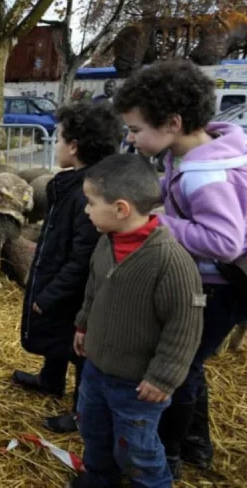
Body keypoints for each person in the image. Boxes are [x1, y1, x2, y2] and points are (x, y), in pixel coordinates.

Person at [114, 59, 247, 478]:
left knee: (180, 366)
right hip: (214, 280)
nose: (131, 139)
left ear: (172, 122)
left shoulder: (205, 175)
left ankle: (169, 452)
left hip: (225, 283)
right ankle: (196, 445)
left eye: (136, 130)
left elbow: (225, 241)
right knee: (191, 363)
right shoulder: (193, 156)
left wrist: (156, 224)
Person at [69, 154, 205, 488]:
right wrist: (83, 324)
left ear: (121, 208)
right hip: (97, 369)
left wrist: (163, 378)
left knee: (137, 449)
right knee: (93, 431)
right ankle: (99, 478)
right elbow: (94, 287)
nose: (86, 210)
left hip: (137, 385)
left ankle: (153, 483)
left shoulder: (170, 261)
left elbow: (185, 324)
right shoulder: (105, 243)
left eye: (90, 203)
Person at [12, 102, 122, 434]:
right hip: (61, 276)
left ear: (73, 146)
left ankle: (81, 412)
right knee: (60, 334)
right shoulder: (74, 185)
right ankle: (50, 379)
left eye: (58, 137)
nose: (55, 143)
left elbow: (82, 257)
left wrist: (49, 294)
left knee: (80, 346)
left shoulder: (89, 195)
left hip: (76, 289)